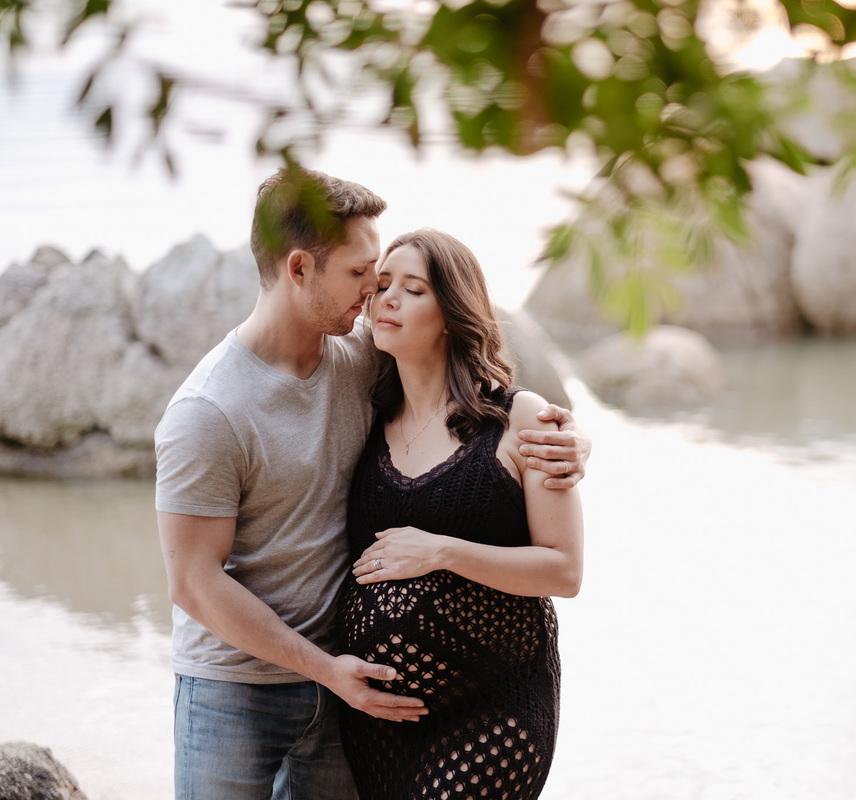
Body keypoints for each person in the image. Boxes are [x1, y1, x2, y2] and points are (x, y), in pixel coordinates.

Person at [155, 167, 590, 800]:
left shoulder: (361, 357)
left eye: (384, 279)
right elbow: (194, 581)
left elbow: (477, 397)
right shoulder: (208, 412)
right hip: (238, 689)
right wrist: (326, 670)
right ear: (299, 268)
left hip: (355, 695)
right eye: (363, 274)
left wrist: (568, 439)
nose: (373, 294)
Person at [335, 228, 584, 800]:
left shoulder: (519, 419)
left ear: (451, 312)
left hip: (493, 706)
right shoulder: (366, 418)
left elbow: (565, 571)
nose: (388, 299)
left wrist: (441, 551)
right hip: (382, 724)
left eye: (413, 289)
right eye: (382, 285)